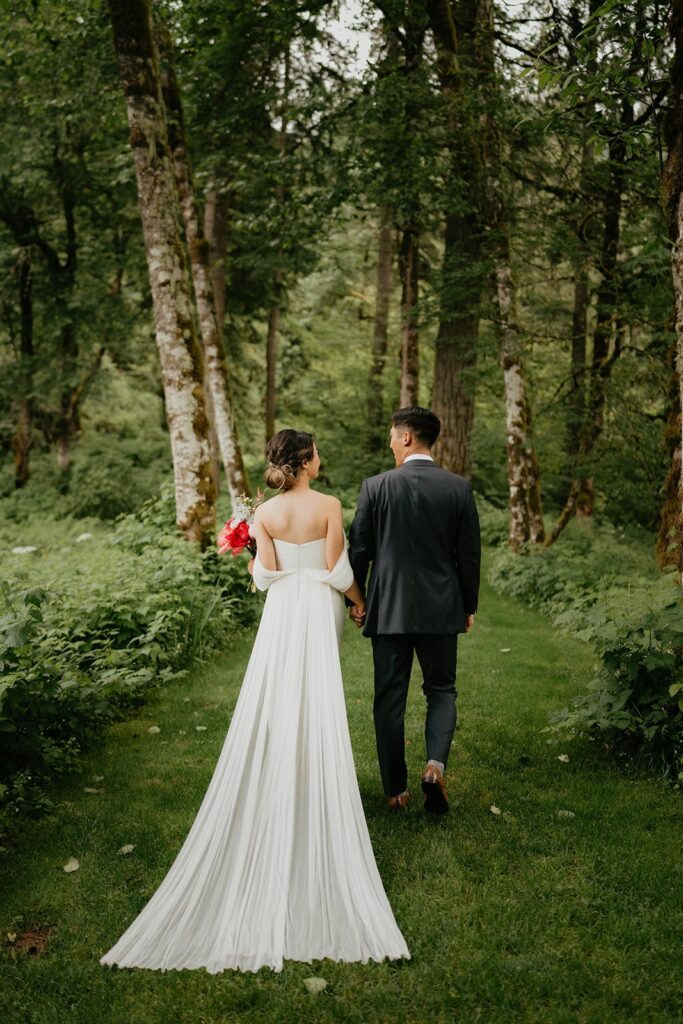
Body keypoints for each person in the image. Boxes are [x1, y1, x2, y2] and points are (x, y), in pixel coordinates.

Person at [100, 429, 409, 974]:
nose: (322, 457)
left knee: (279, 696)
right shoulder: (330, 504)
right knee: (318, 695)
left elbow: (263, 576)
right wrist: (360, 605)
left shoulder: (263, 514)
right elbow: (338, 570)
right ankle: (314, 783)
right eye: (318, 451)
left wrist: (258, 555)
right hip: (317, 606)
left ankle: (283, 777)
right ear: (306, 461)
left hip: (283, 608)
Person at [348, 407, 481, 814]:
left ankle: (394, 790)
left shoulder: (375, 487)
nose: (390, 441)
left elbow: (360, 550)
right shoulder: (458, 489)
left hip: (388, 609)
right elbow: (469, 556)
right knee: (441, 690)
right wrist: (467, 605)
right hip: (441, 608)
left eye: (392, 434)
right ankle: (435, 766)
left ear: (407, 437)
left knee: (390, 698)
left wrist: (359, 600)